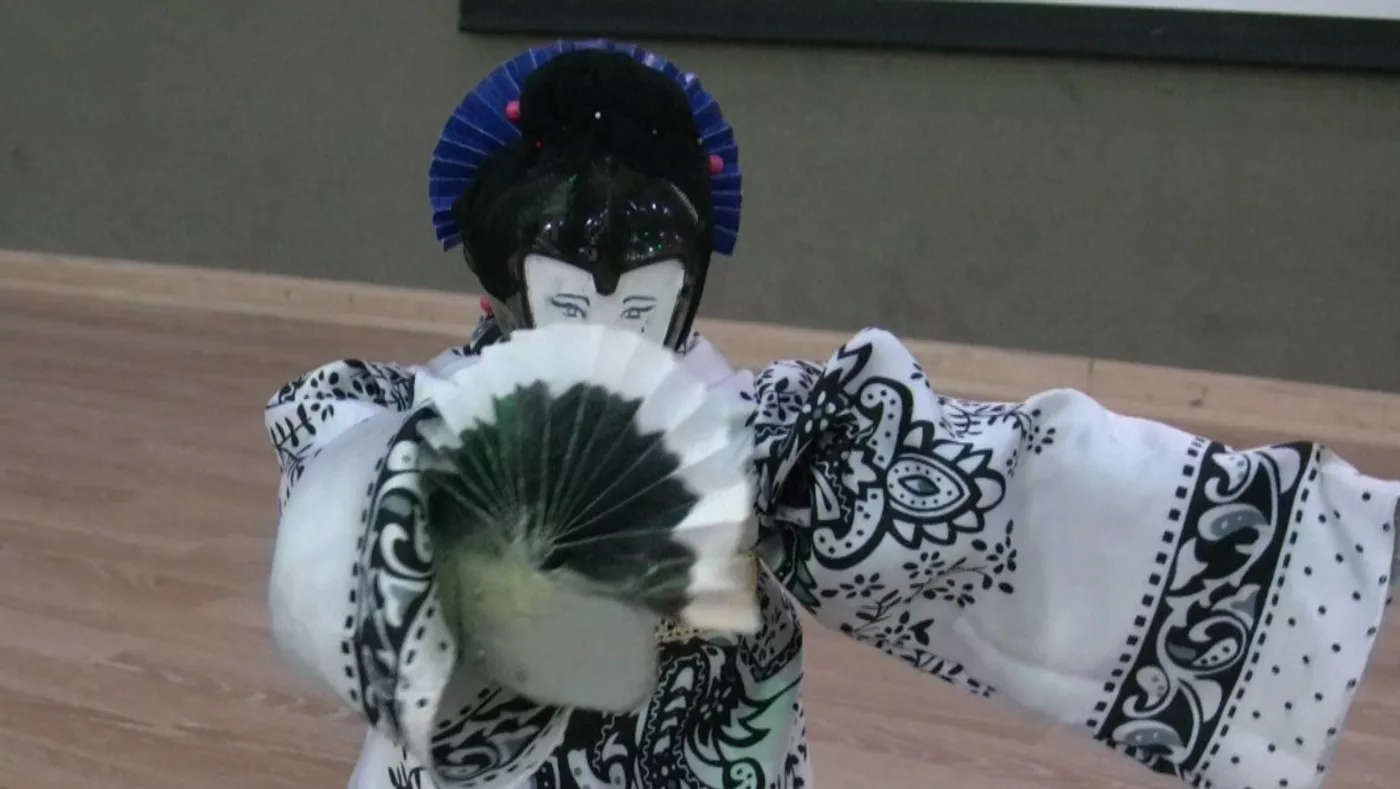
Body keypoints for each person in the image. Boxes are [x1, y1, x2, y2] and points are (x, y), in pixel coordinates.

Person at [264, 39, 1398, 789]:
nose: (607, 323)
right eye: (569, 296)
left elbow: (986, 492)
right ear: (500, 283)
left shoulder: (763, 435)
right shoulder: (410, 417)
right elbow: (342, 546)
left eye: (643, 299)